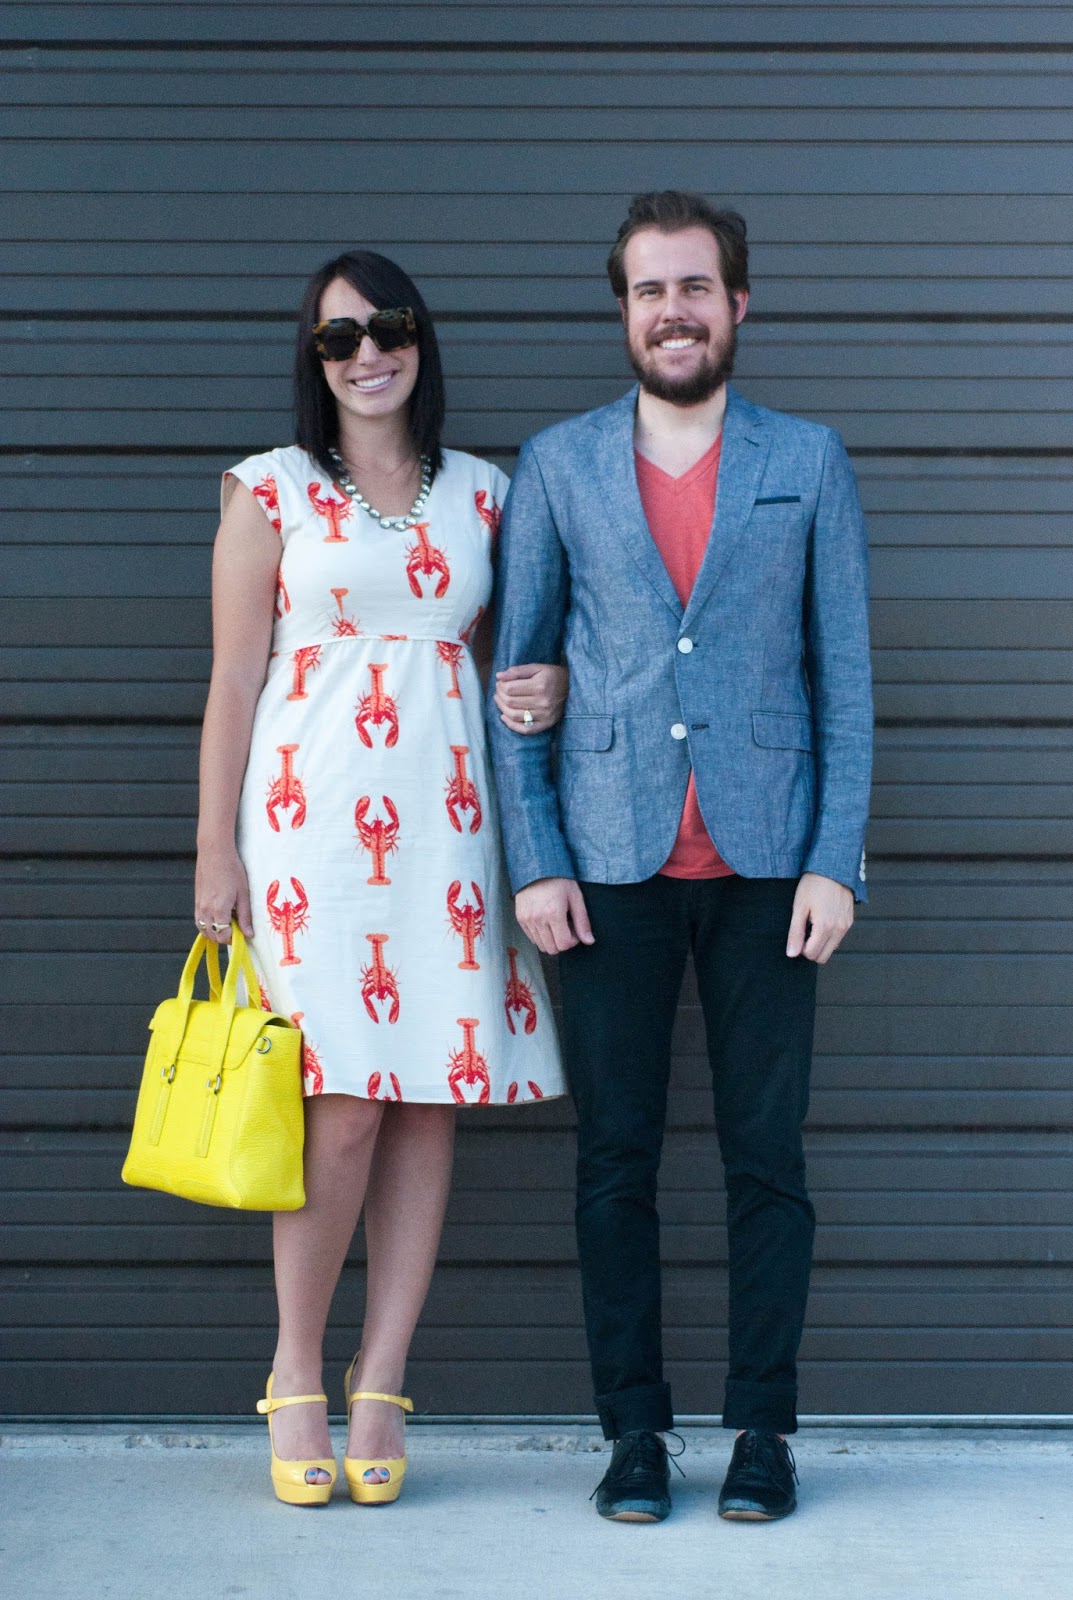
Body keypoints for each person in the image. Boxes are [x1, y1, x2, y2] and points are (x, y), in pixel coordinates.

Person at [489, 192, 872, 1523]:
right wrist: (534, 856)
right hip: (606, 864)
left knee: (768, 1163)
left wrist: (838, 858)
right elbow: (516, 670)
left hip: (772, 871)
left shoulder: (808, 460)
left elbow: (846, 679)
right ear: (623, 311)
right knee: (617, 1163)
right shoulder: (557, 465)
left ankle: (764, 1432)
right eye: (650, 290)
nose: (673, 310)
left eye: (696, 287)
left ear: (738, 305)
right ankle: (634, 1434)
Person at [195, 250, 566, 1506]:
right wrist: (213, 849)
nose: (367, 353)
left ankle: (382, 1378)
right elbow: (233, 679)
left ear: (421, 341)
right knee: (335, 1102)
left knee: (426, 1098)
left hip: (449, 830)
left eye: (388, 327)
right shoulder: (271, 489)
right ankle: (294, 1364)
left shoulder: (487, 494)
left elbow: (527, 649)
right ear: (313, 357)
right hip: (311, 838)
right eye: (338, 336)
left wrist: (547, 687)